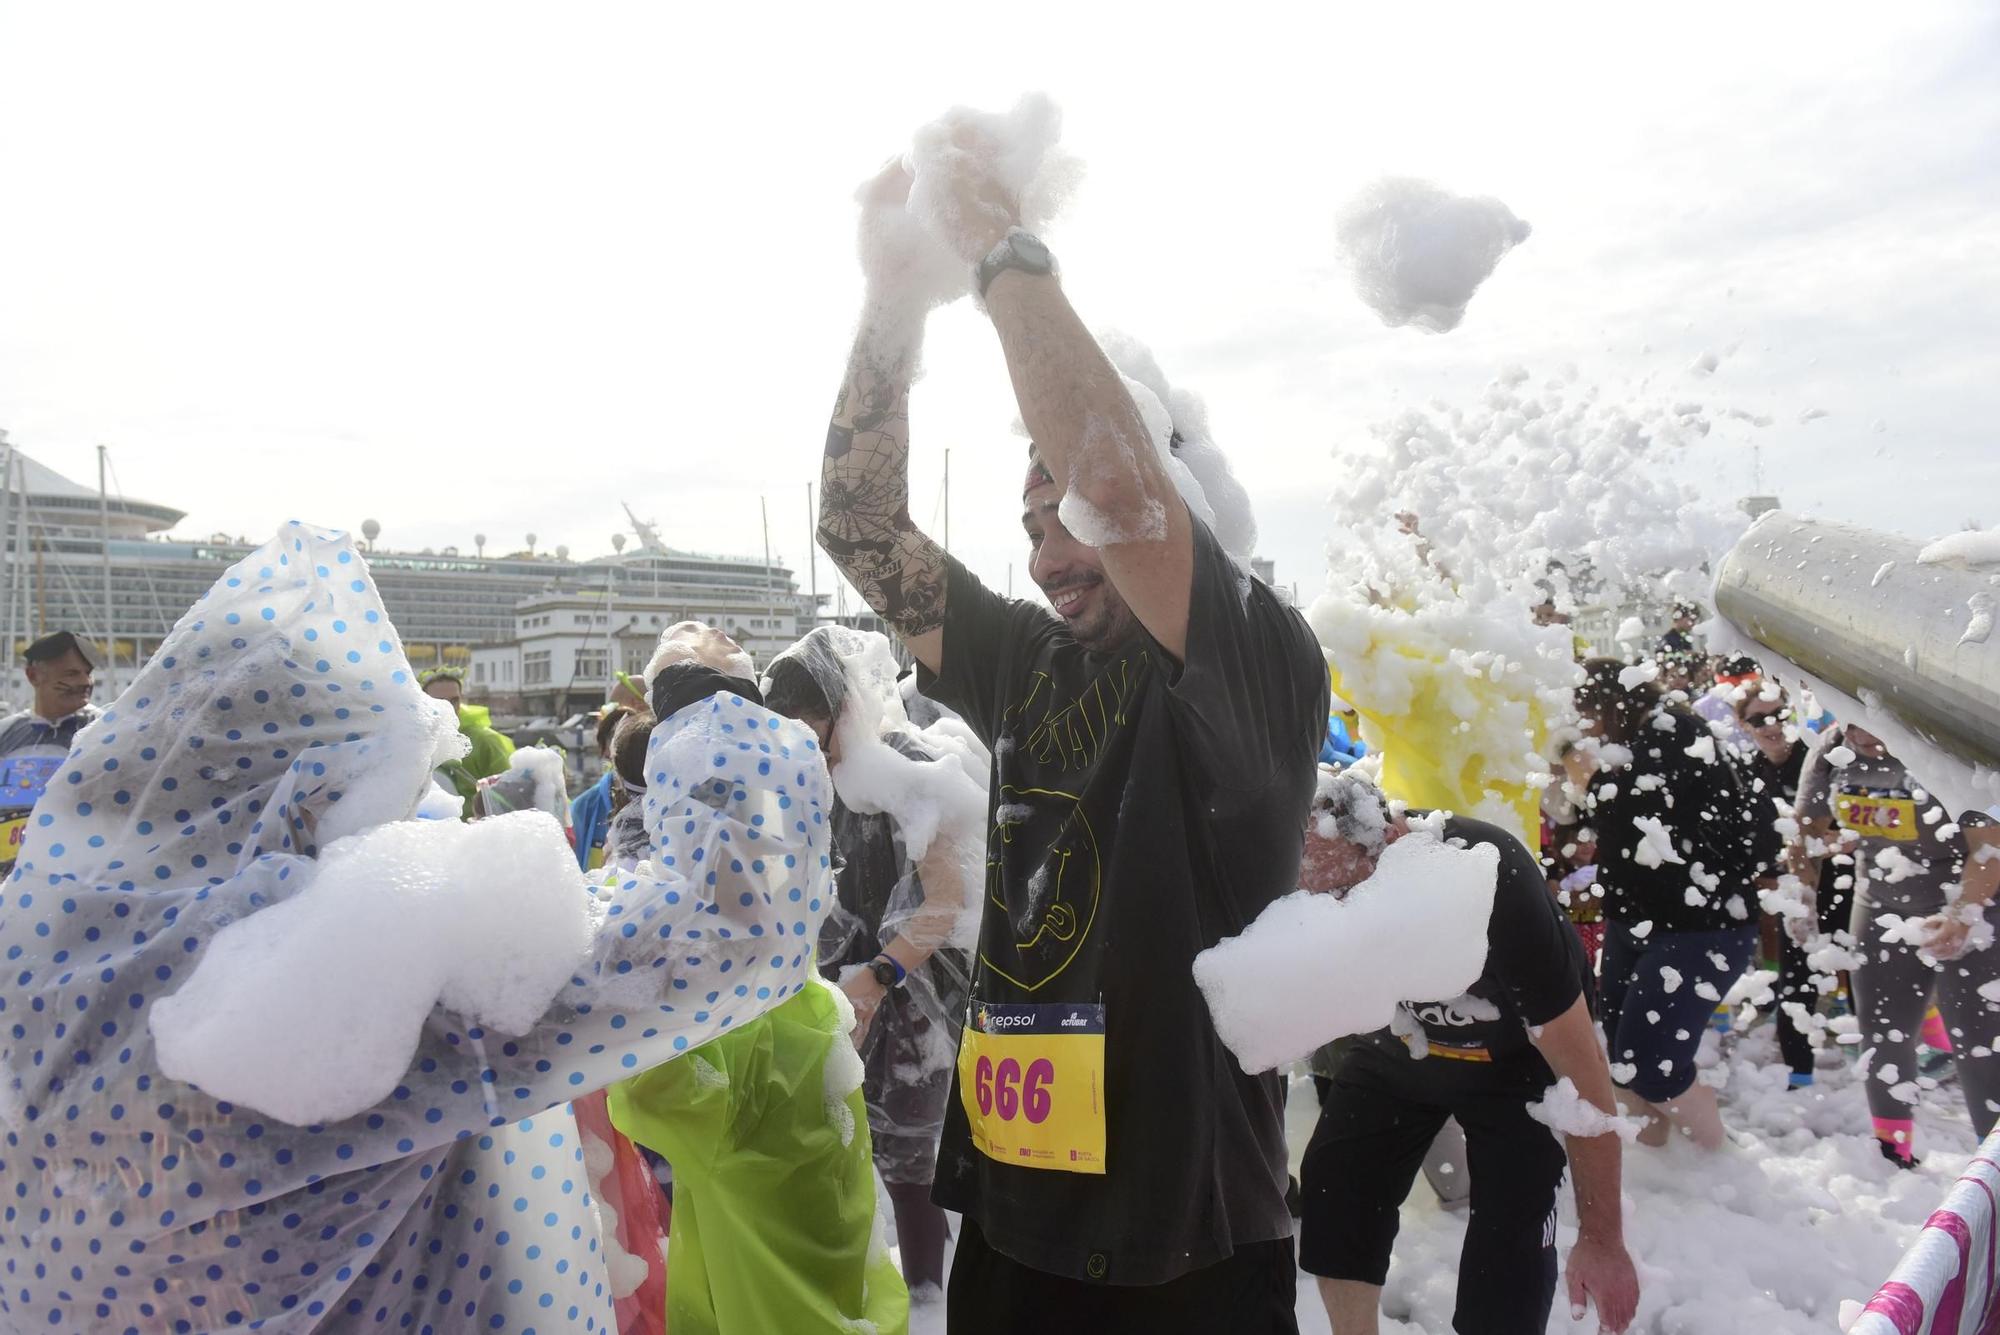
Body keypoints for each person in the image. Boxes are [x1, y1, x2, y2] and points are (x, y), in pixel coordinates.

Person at [0, 531, 842, 1331]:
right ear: (318, 780)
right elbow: (730, 924)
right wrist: (708, 703)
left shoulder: (48, 955)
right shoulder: (345, 965)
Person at [818, 155, 1327, 1331]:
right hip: (1012, 1204)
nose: (1048, 555)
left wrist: (999, 249)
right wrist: (892, 300)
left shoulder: (1253, 659)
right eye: (1030, 526)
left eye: (1070, 527)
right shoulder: (1027, 660)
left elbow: (1122, 489)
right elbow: (856, 523)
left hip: (1180, 1239)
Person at [1297, 769, 1638, 1335]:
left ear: (1391, 845)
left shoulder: (1485, 874)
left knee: (1510, 1250)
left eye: (1342, 892)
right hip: (1400, 1050)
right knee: (1337, 1186)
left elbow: (1583, 1077)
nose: (1332, 907)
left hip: (1518, 1069)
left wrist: (1603, 1239)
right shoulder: (1316, 870)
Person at [762, 628, 972, 1302]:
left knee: (913, 1164)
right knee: (857, 1151)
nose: (804, 750)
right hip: (852, 985)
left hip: (915, 992)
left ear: (840, 709)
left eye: (810, 731)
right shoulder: (819, 775)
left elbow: (947, 900)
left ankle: (928, 1301)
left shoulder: (902, 766)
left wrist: (880, 977)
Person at [1567, 657, 1770, 1150]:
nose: (1581, 727)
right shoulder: (1644, 736)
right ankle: (1660, 1164)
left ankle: (1716, 1157)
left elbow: (1630, 820)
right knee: (1621, 1057)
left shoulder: (1671, 733)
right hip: (1636, 918)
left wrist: (1586, 781)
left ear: (1608, 706)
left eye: (1584, 714)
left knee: (1651, 1063)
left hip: (1700, 926)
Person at [1789, 721, 2000, 1165]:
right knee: (1882, 1035)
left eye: (1872, 726)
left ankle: (1991, 1178)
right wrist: (1804, 893)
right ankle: (1892, 1155)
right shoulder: (1830, 748)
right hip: (1879, 900)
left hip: (1969, 905)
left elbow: (1989, 849)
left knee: (1979, 1048)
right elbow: (1805, 834)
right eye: (1851, 727)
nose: (1861, 736)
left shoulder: (1936, 740)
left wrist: (1961, 916)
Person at [1, 630, 101, 877]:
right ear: (34, 676)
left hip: (75, 876)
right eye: (71, 673)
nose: (84, 682)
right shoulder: (6, 732)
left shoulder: (104, 729)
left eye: (87, 673)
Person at [421, 664, 515, 816]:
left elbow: (509, 796)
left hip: (477, 831)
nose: (449, 709)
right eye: (440, 702)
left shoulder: (486, 741)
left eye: (454, 701)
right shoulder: (415, 742)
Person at [570, 703, 632, 870]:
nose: (624, 741)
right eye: (615, 735)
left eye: (631, 735)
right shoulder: (583, 808)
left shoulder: (660, 803)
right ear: (605, 749)